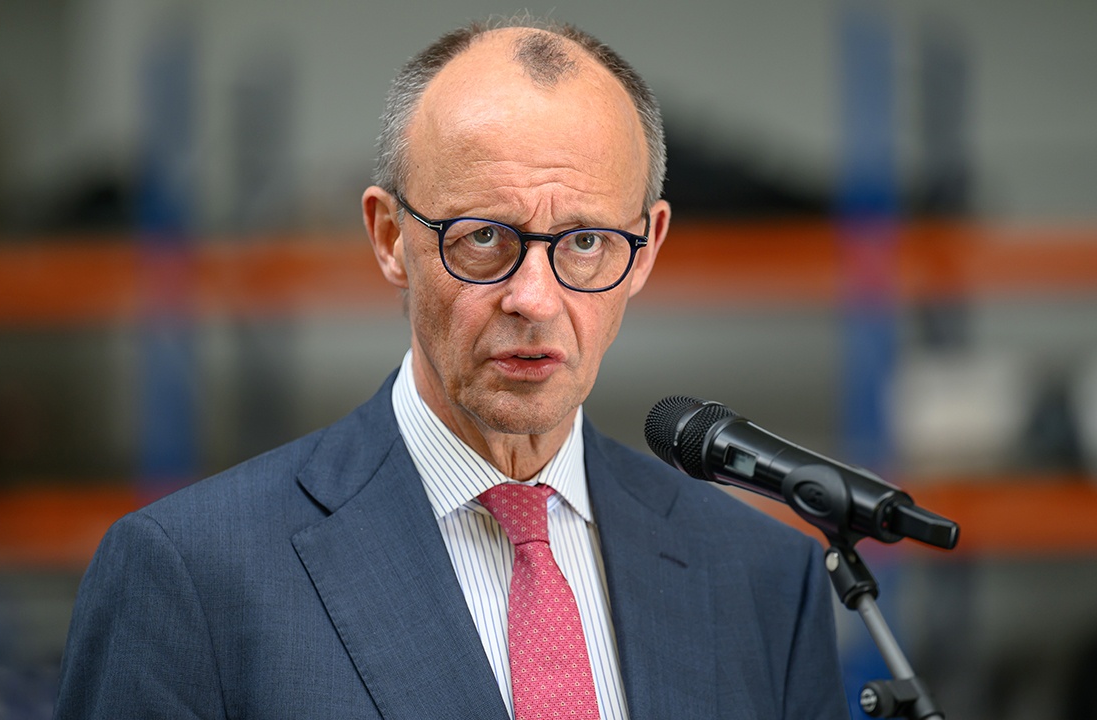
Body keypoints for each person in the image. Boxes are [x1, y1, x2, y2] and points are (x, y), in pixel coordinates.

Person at [53, 16, 850, 720]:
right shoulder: (190, 577)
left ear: (646, 251)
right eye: (483, 238)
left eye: (585, 242)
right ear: (390, 238)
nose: (533, 299)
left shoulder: (763, 579)